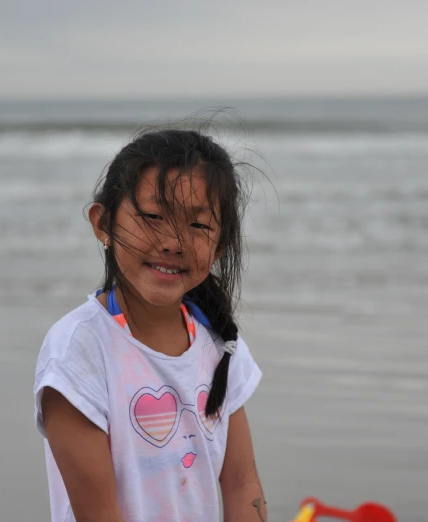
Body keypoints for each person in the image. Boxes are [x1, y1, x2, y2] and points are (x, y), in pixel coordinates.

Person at [33, 128, 266, 521]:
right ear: (103, 223)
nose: (173, 241)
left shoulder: (219, 343)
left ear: (220, 244)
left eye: (198, 225)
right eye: (154, 216)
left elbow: (242, 485)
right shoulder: (79, 351)